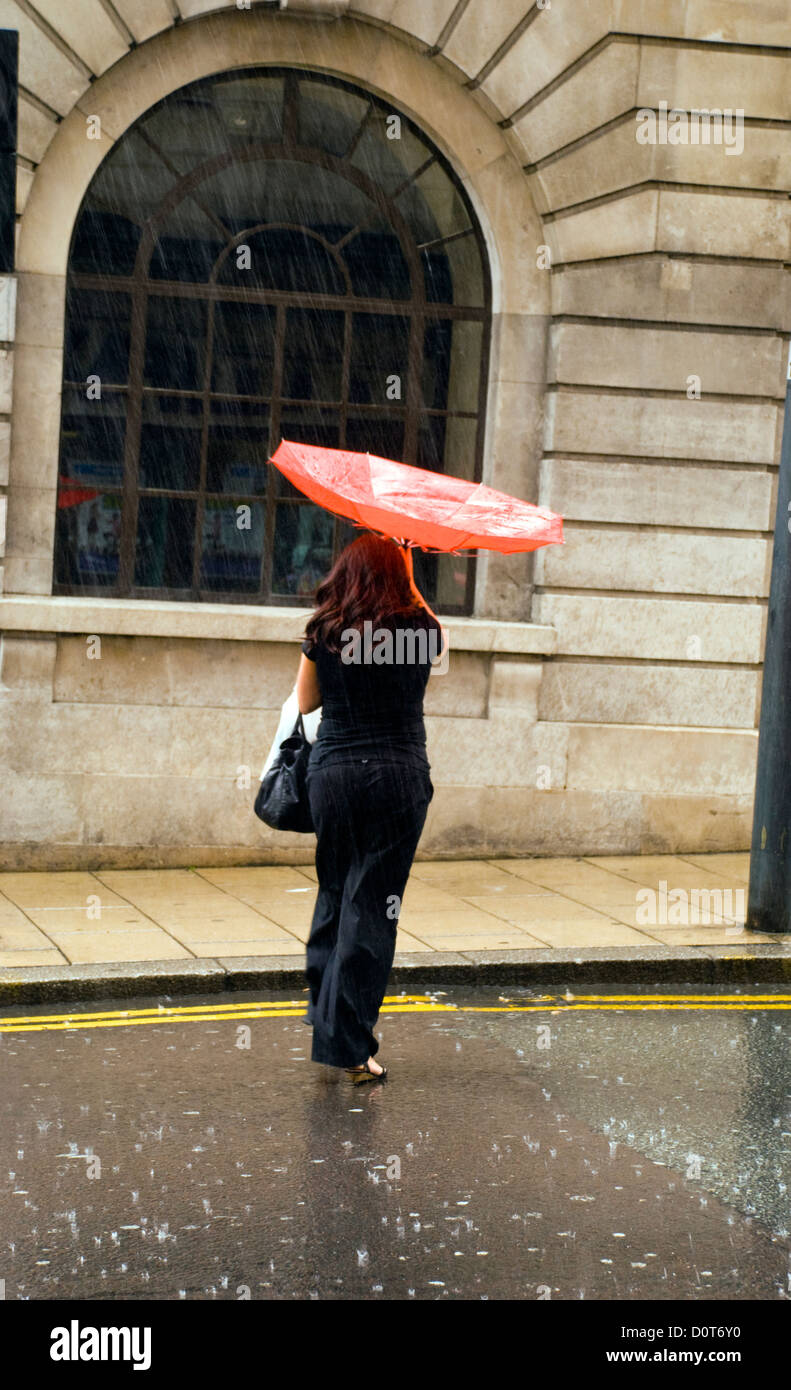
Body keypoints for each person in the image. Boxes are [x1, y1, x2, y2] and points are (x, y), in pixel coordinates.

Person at [295, 531, 447, 1084]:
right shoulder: (418, 631)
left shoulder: (326, 629)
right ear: (400, 575)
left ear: (346, 571)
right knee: (374, 908)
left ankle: (327, 1018)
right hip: (396, 777)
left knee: (335, 893)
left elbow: (307, 701)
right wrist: (409, 580)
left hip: (333, 776)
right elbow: (440, 646)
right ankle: (352, 1045)